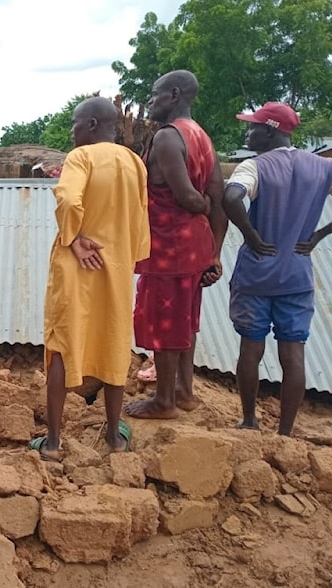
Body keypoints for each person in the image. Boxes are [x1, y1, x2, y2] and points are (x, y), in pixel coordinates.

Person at [224, 102, 332, 435]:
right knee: (293, 351)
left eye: (253, 127)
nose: (248, 132)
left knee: (251, 347)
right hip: (297, 273)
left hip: (256, 273)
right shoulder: (324, 168)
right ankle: (286, 431)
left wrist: (250, 235)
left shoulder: (254, 167)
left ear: (270, 130)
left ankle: (249, 420)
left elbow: (232, 198)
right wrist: (320, 234)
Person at [27, 97, 150, 460]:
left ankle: (51, 442)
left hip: (78, 266)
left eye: (75, 124)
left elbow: (67, 199)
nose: (72, 131)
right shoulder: (134, 162)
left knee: (63, 343)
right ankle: (113, 435)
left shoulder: (80, 158)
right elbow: (140, 220)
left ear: (92, 125)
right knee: (114, 341)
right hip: (116, 269)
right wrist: (126, 256)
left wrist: (74, 238)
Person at [126, 70, 227, 420]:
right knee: (185, 321)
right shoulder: (201, 136)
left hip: (169, 248)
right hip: (194, 247)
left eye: (154, 94)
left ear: (173, 94)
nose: (150, 101)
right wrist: (213, 252)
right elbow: (218, 194)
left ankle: (163, 401)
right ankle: (184, 391)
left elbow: (189, 196)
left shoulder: (169, 138)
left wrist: (198, 204)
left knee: (165, 323)